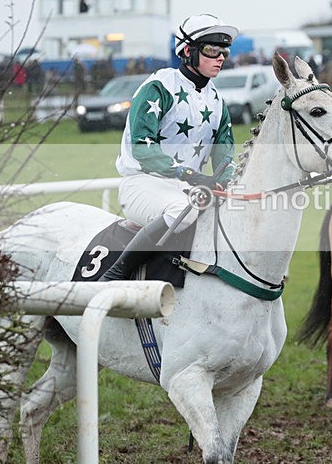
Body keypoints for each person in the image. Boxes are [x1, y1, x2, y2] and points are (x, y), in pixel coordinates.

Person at [99, 14, 237, 281]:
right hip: (143, 183)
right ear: (187, 51)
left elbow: (225, 155)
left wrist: (226, 180)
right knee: (180, 212)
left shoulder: (217, 100)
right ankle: (116, 273)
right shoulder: (158, 87)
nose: (220, 57)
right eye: (211, 50)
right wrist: (191, 176)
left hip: (191, 189)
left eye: (224, 51)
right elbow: (142, 149)